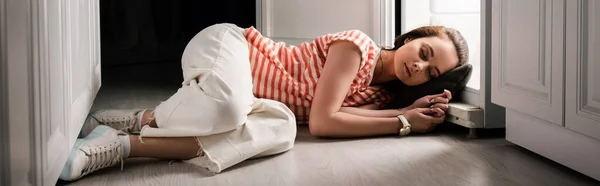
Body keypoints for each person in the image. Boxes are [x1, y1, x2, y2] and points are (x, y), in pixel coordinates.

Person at [59, 23, 469, 181]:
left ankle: (120, 145)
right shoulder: (357, 47)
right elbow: (326, 123)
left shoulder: (380, 95)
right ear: (412, 38)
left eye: (431, 73)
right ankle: (143, 118)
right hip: (229, 46)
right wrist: (403, 123)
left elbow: (324, 119)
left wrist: (404, 111)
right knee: (230, 109)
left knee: (283, 129)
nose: (419, 66)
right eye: (425, 53)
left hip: (253, 97)